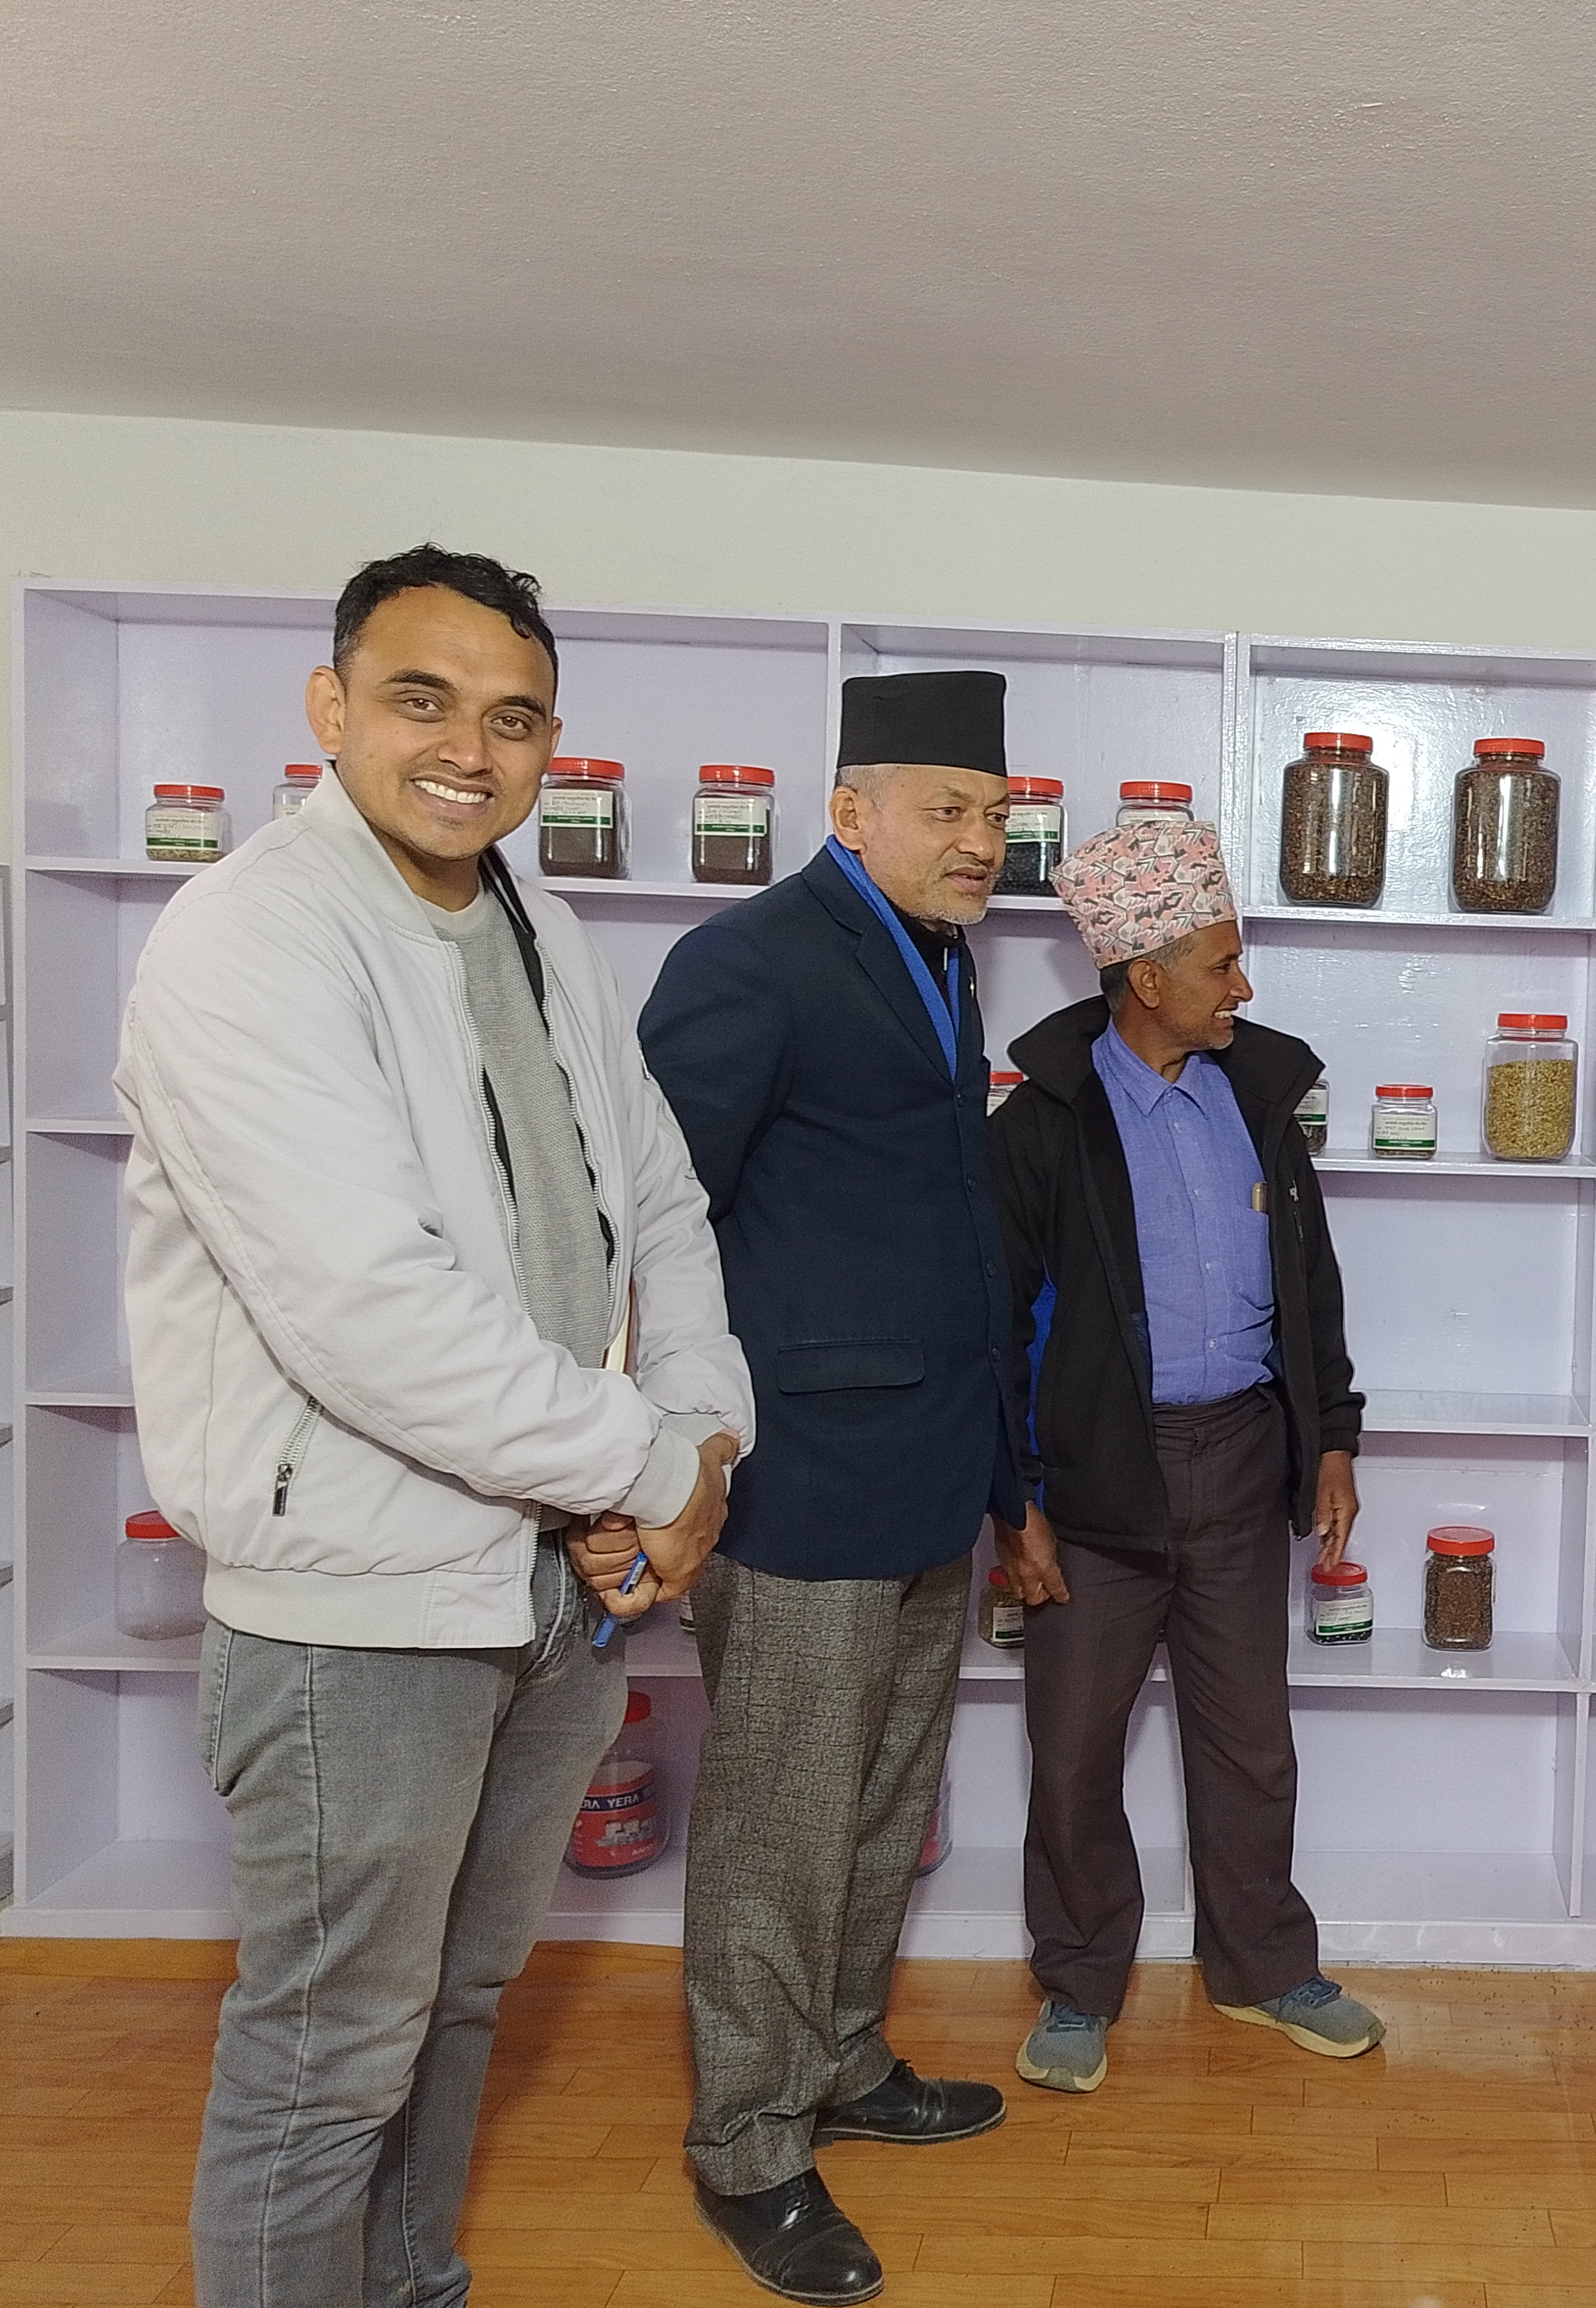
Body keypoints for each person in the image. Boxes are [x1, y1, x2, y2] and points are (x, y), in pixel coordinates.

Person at [118, 545, 752, 2308]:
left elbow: (662, 1208)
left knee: (458, 2005)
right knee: (326, 2057)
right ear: (329, 709)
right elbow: (364, 1309)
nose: (471, 749)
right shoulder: (246, 935)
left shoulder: (543, 932)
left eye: (514, 717)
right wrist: (644, 1467)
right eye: (423, 699)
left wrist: (701, 1439)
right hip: (359, 1604)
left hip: (558, 1583)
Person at [635, 670, 1022, 2305]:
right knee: (779, 1826)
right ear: (849, 810)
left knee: (879, 1804)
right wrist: (659, 1452)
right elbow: (654, 1224)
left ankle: (843, 2063)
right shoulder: (750, 960)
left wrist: (1003, 1470)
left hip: (927, 1465)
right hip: (798, 1469)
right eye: (946, 810)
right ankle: (747, 2142)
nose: (979, 841)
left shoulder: (941, 957)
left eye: (994, 814)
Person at [988, 815, 1374, 2093]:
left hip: (1243, 1458)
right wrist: (1015, 1502)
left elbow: (1310, 1283)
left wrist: (1332, 1438)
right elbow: (996, 1324)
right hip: (1097, 1476)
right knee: (1074, 1750)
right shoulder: (1043, 1125)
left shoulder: (1255, 1101)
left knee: (1251, 1740)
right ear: (1146, 978)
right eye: (1221, 962)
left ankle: (1264, 1967)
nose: (1241, 985)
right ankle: (1079, 1981)